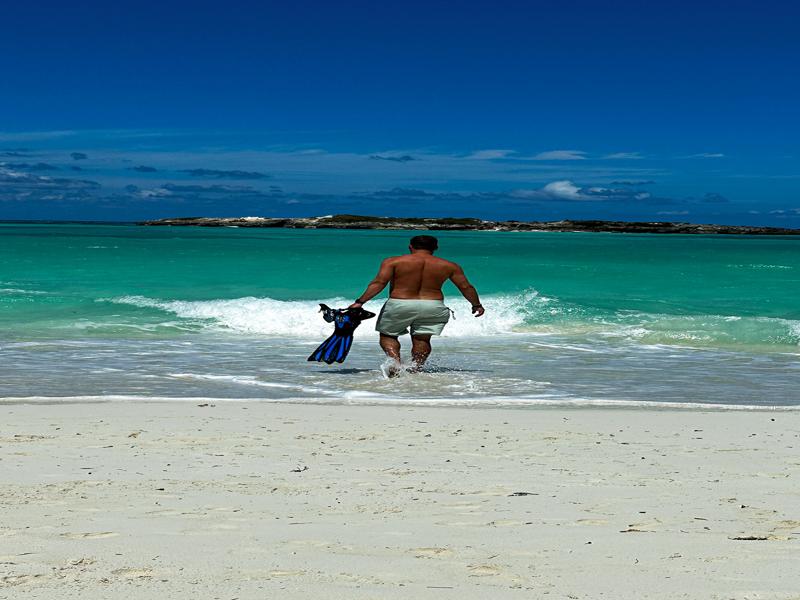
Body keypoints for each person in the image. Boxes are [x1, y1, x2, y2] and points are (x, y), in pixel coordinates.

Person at [349, 234, 484, 374]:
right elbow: (466, 287)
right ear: (435, 248)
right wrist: (476, 305)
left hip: (400, 303)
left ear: (410, 246)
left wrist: (360, 302)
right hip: (433, 305)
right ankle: (415, 368)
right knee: (422, 338)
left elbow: (379, 283)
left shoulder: (393, 262)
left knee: (388, 335)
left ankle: (395, 363)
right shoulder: (449, 266)